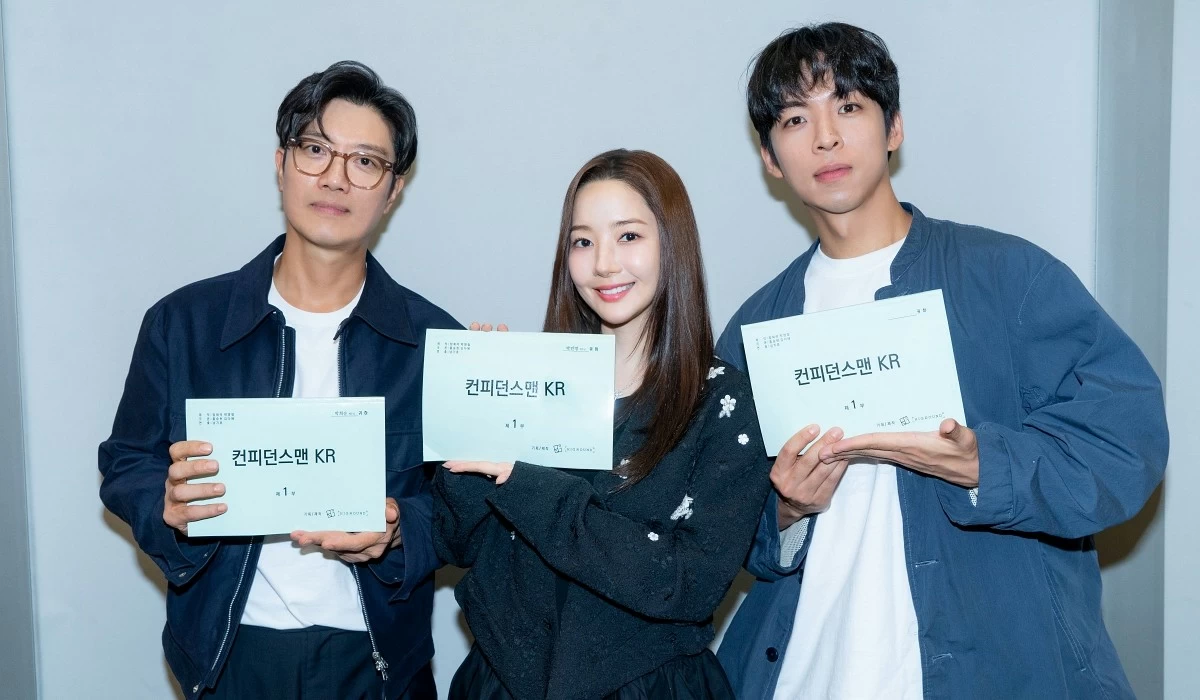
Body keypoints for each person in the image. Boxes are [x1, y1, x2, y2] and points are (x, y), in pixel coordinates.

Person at [714, 22, 1169, 700]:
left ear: (894, 128)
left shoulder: (1007, 277)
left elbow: (1126, 443)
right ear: (771, 159)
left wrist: (986, 465)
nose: (826, 137)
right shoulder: (756, 328)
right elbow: (717, 522)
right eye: (794, 118)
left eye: (848, 106)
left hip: (997, 670)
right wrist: (784, 513)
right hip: (806, 672)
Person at [98, 61, 458, 699]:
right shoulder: (182, 324)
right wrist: (167, 505)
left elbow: (468, 511)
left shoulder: (435, 343)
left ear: (393, 188)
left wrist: (402, 525)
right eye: (316, 149)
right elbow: (127, 461)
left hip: (378, 664)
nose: (335, 177)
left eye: (365, 161)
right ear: (281, 161)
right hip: (231, 652)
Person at [434, 149, 773, 699]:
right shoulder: (533, 379)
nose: (604, 264)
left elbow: (686, 582)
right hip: (502, 681)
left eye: (629, 237)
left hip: (651, 687)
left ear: (673, 244)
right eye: (583, 241)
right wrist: (475, 415)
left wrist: (526, 483)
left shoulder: (723, 402)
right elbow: (455, 541)